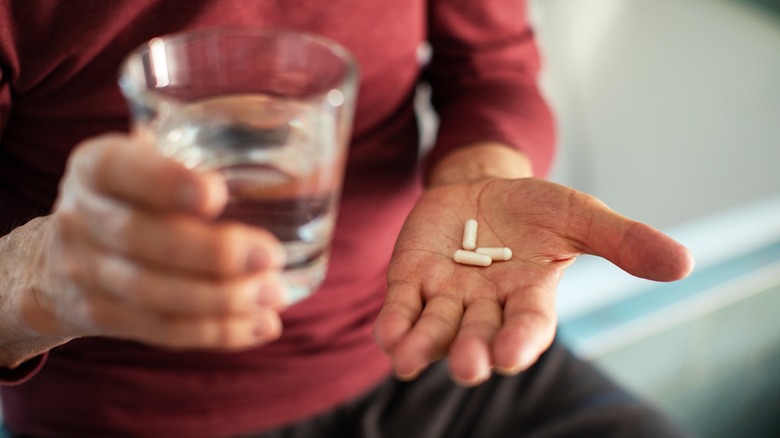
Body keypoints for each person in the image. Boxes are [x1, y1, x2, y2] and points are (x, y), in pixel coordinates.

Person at [0, 1, 695, 437]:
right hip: (131, 415)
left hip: (427, 337)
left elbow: (492, 68)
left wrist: (480, 179)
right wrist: (38, 280)